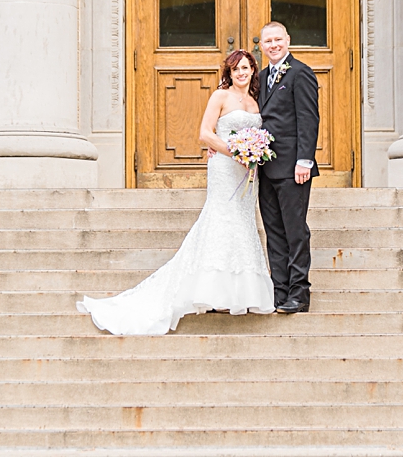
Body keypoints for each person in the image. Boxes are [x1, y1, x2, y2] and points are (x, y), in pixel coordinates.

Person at [77, 50, 275, 335]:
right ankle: (209, 291)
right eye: (236, 69)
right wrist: (236, 151)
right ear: (229, 74)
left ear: (253, 70)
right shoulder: (220, 96)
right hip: (225, 168)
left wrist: (253, 153)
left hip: (247, 174)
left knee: (242, 224)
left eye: (246, 68)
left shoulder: (257, 101)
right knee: (220, 220)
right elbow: (205, 134)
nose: (241, 73)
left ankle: (236, 294)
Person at [256, 21, 320, 314]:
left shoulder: (300, 73)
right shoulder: (262, 76)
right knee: (274, 232)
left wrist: (304, 160)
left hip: (294, 168)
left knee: (295, 231)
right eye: (267, 41)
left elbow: (307, 118)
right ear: (262, 45)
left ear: (288, 40)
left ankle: (299, 293)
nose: (273, 45)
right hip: (266, 168)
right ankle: (279, 291)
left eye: (277, 39)